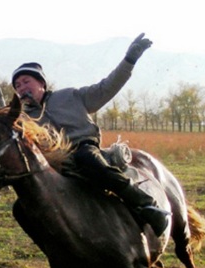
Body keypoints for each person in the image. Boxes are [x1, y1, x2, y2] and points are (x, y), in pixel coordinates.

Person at [11, 33, 170, 235]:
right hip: (54, 166)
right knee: (20, 208)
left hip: (84, 149)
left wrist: (129, 60)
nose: (22, 88)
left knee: (88, 159)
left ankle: (148, 206)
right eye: (17, 86)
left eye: (26, 82)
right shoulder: (23, 119)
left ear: (41, 83)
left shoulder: (70, 96)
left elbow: (107, 87)